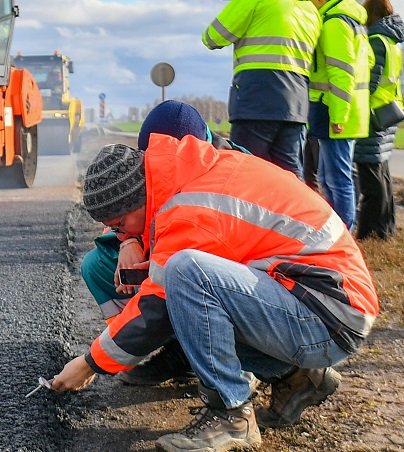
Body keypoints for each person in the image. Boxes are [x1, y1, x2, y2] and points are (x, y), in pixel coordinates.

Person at [53, 137, 379, 451]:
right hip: (315, 300)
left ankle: (231, 415)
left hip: (328, 314)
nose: (122, 235)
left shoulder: (189, 208)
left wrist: (90, 362)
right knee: (193, 303)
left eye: (120, 225)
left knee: (185, 273)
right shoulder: (189, 176)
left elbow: (157, 307)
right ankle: (297, 377)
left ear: (135, 198)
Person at [81, 100, 248, 387]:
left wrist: (93, 363)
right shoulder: (150, 168)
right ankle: (168, 348)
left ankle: (238, 365)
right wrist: (128, 239)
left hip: (238, 274)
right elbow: (129, 204)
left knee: (185, 275)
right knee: (97, 265)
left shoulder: (233, 170)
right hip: (172, 251)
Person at [202, 0, 321, 180]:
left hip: (256, 99)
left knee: (245, 171)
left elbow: (212, 37)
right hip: (296, 104)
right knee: (290, 175)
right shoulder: (310, 11)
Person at [308, 0, 374, 230]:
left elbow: (342, 73)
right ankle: (338, 232)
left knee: (336, 179)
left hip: (335, 111)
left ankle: (342, 234)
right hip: (350, 109)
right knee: (330, 177)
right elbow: (368, 61)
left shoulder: (334, 23)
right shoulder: (353, 20)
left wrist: (338, 116)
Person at [353, 0, 403, 240]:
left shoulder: (376, 41)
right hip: (386, 114)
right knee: (382, 176)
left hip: (372, 117)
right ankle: (386, 229)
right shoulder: (392, 42)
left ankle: (370, 233)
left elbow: (369, 83)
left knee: (371, 180)